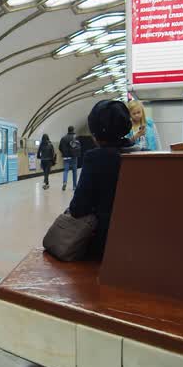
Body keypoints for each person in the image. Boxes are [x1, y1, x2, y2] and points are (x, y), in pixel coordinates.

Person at [69, 100, 133, 260]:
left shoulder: (95, 158)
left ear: (95, 131)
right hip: (137, 239)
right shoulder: (143, 154)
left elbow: (78, 208)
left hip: (104, 243)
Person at [59, 126, 81, 191]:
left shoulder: (63, 138)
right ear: (73, 130)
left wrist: (64, 153)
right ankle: (74, 186)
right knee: (74, 171)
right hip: (74, 157)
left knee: (65, 170)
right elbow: (79, 146)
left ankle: (65, 182)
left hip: (66, 157)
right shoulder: (76, 137)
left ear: (68, 130)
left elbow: (60, 147)